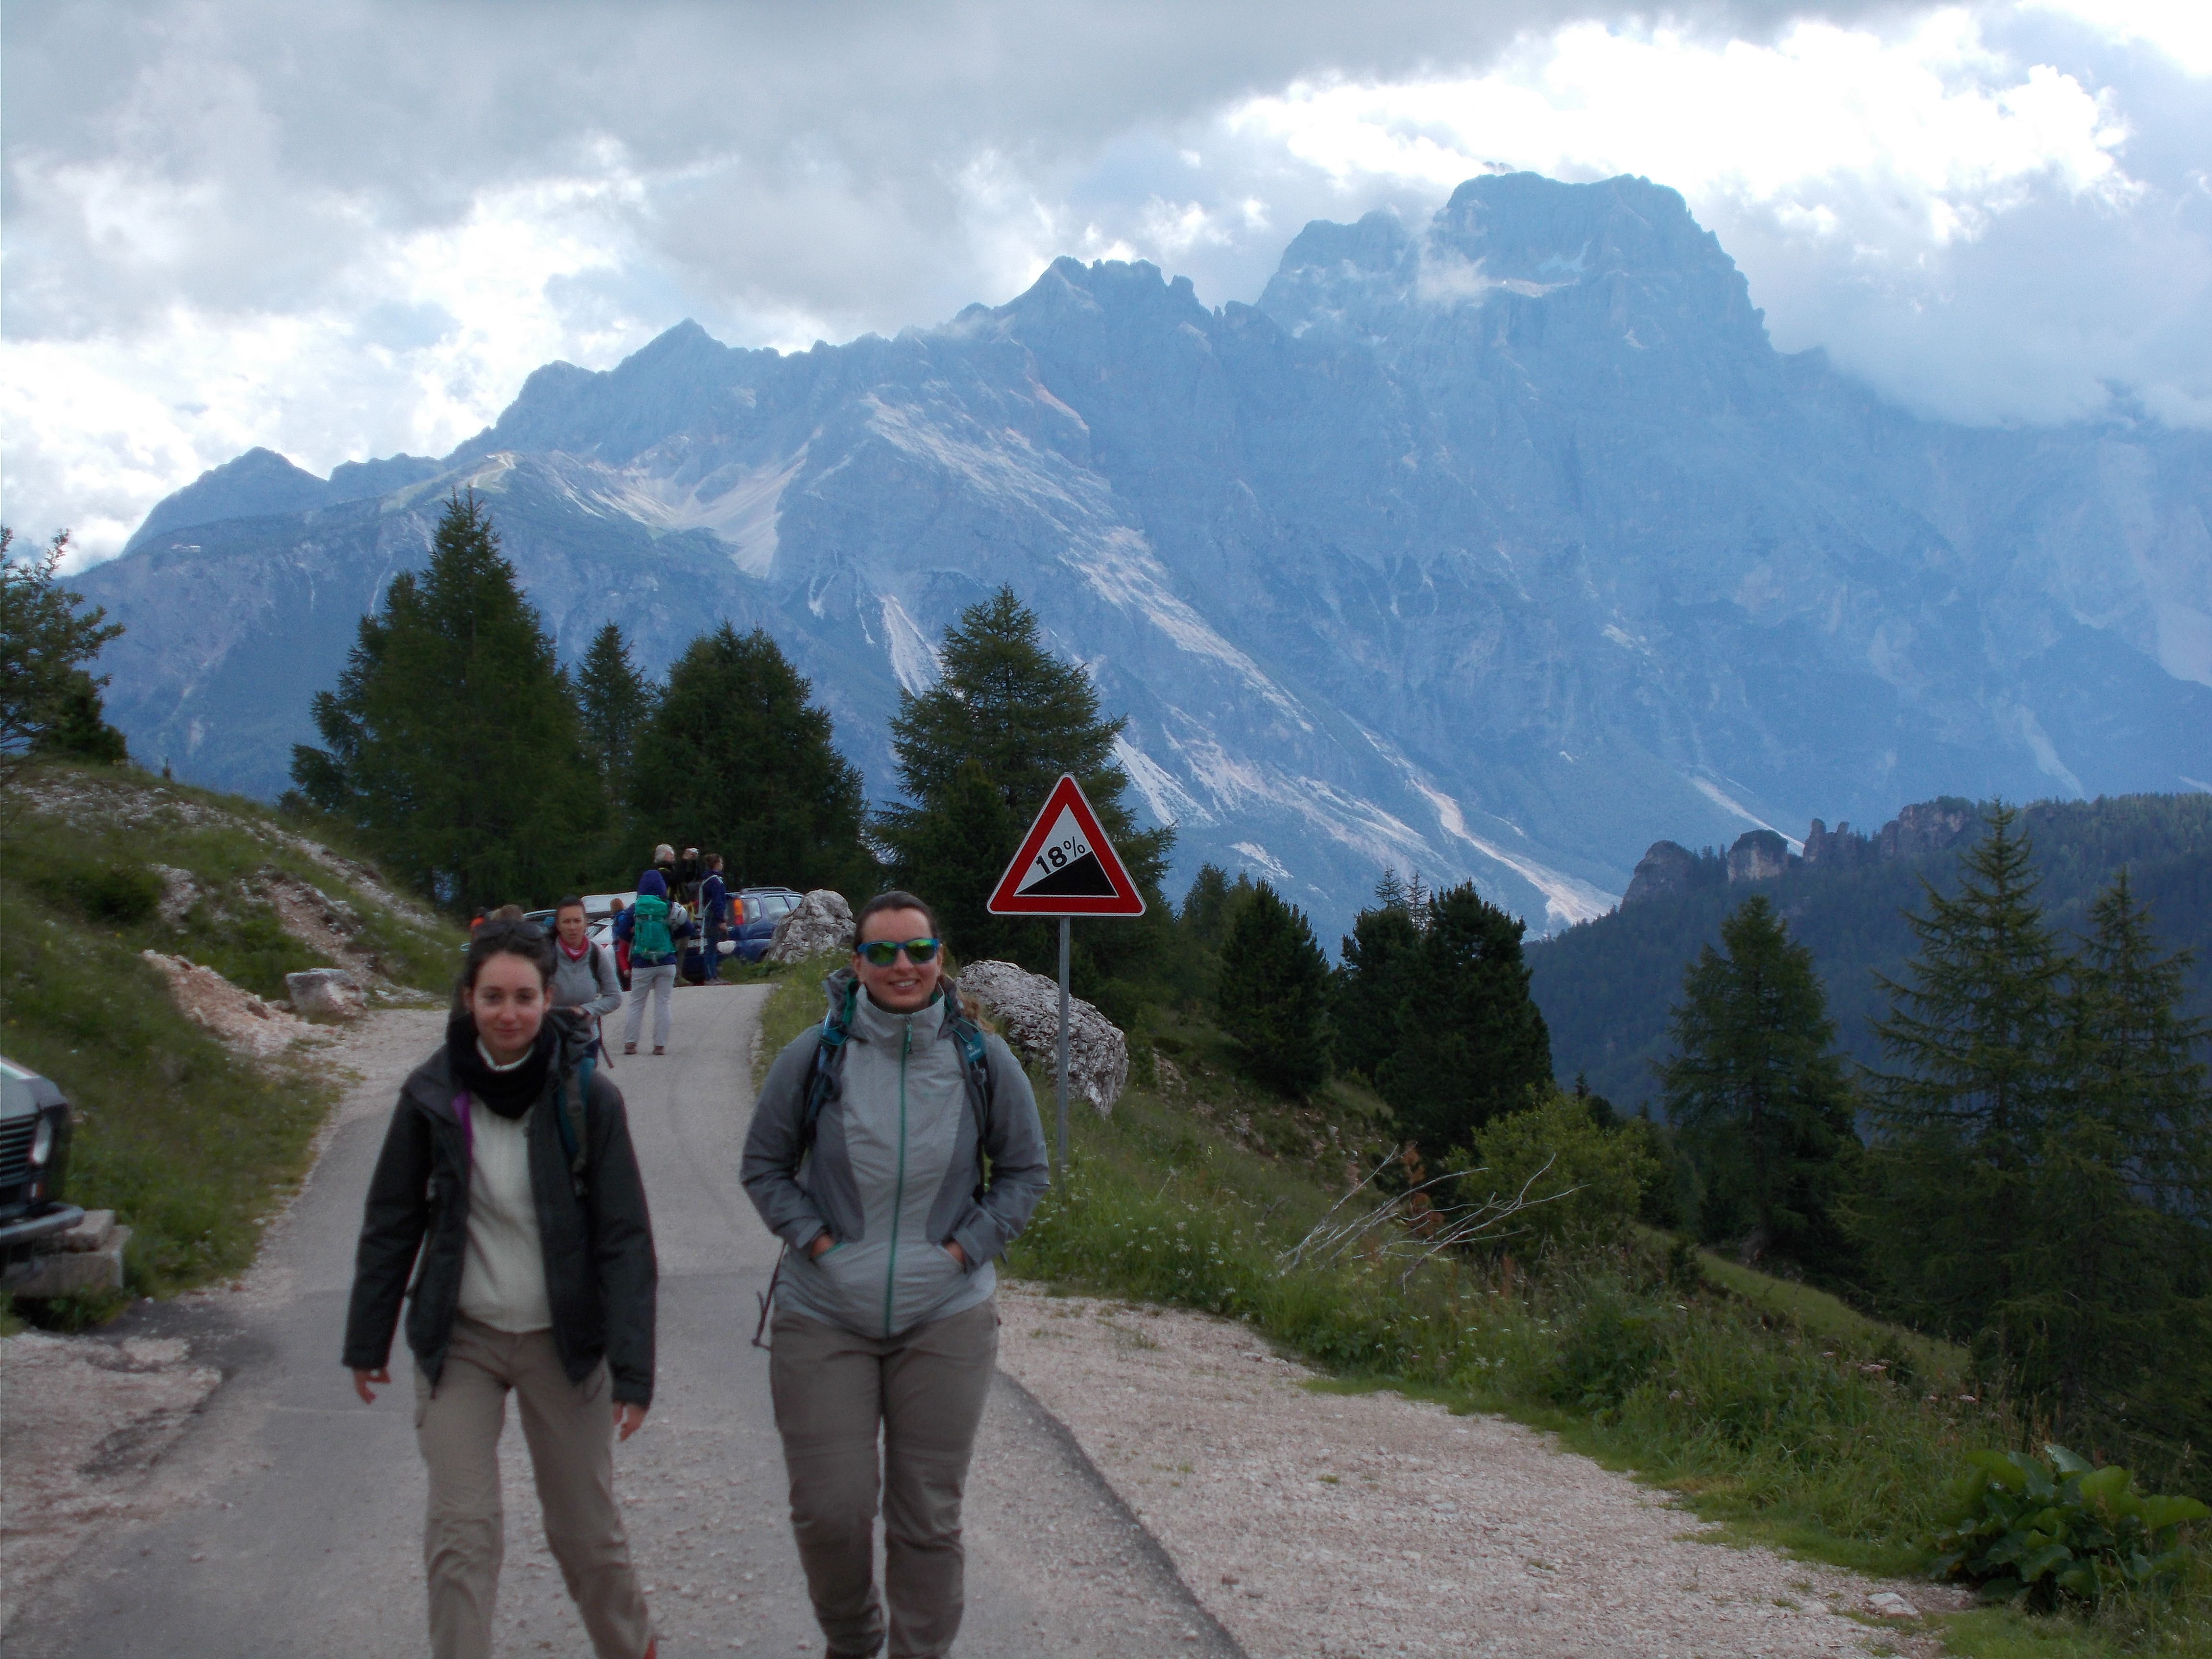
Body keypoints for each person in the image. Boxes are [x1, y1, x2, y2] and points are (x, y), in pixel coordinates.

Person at [741, 891, 1050, 1659]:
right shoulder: (814, 1054)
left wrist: (962, 1252)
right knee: (830, 1512)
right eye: (882, 952)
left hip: (947, 1314)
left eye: (918, 950)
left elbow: (1024, 1172)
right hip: (822, 1311)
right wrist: (817, 1244)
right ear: (857, 964)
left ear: (940, 958)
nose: (902, 965)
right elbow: (764, 1167)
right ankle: (853, 1640)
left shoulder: (983, 1057)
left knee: (928, 1518)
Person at [343, 918, 660, 1659]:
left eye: (524, 997)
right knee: (462, 1533)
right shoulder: (431, 1095)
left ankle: (632, 1646)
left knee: (586, 1535)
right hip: (461, 1340)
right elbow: (392, 1221)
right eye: (493, 997)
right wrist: (367, 1339)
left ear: (549, 998)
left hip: (565, 1342)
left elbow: (625, 1239)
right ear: (468, 1000)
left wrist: (633, 1370)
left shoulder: (588, 1098)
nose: (509, 1013)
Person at [619, 867, 690, 1056]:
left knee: (637, 1003)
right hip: (667, 961)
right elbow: (687, 928)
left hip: (642, 962)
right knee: (663, 1003)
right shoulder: (669, 906)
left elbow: (622, 933)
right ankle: (660, 1045)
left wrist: (637, 938)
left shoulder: (635, 908)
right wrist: (671, 936)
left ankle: (630, 1043)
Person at [551, 896, 623, 1050]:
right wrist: (563, 1015)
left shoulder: (596, 954)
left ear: (586, 924)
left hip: (587, 1040)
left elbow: (615, 997)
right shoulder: (545, 955)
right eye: (566, 922)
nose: (572, 927)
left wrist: (587, 1010)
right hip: (552, 1041)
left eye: (577, 921)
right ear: (558, 925)